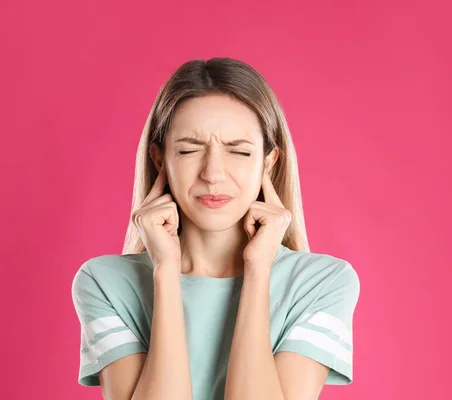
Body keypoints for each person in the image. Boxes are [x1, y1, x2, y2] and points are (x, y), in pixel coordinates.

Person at [71, 57, 361, 400]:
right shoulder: (105, 283)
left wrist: (258, 270)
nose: (213, 173)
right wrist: (165, 271)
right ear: (160, 159)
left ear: (267, 163)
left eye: (238, 152)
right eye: (189, 149)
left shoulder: (322, 283)